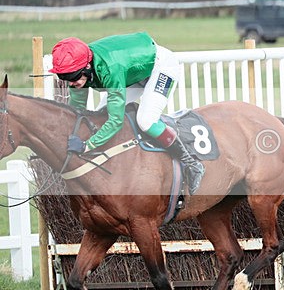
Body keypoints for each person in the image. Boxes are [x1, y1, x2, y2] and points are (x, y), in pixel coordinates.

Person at [49, 32, 204, 194]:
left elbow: (116, 121)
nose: (71, 83)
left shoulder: (110, 69)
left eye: (73, 77)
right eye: (65, 78)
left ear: (87, 66)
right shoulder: (79, 69)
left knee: (146, 121)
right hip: (131, 72)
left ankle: (192, 163)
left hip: (160, 67)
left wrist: (87, 145)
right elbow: (77, 111)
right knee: (101, 116)